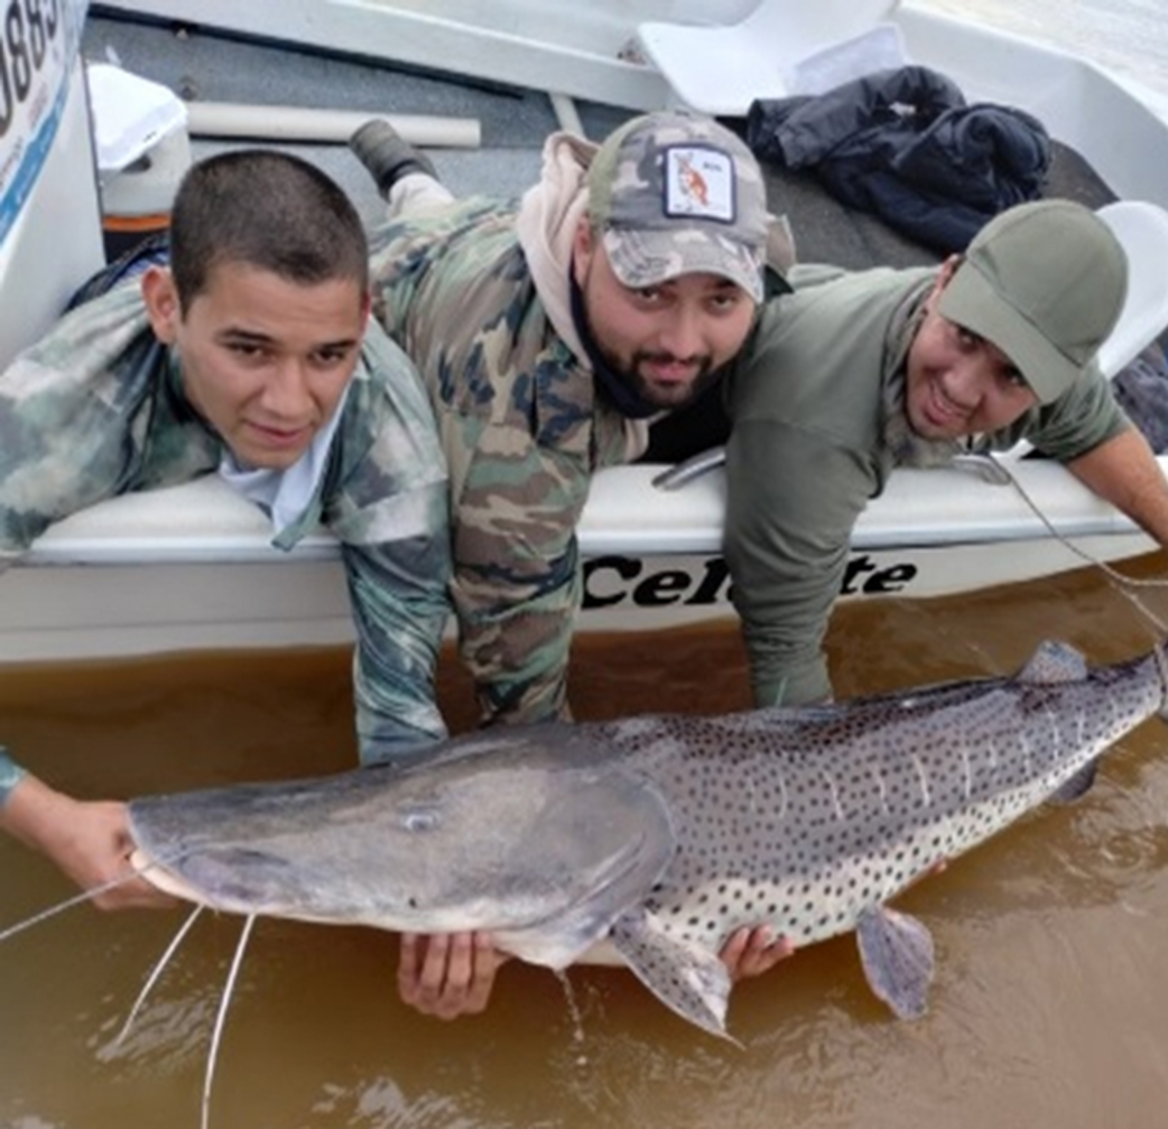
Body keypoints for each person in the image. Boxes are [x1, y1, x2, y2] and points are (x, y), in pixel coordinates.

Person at [349, 111, 793, 1016]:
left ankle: (399, 162)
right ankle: (402, 175)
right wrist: (517, 913)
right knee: (411, 228)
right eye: (651, 290)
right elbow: (527, 721)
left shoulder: (653, 289)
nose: (682, 340)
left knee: (430, 204)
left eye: (720, 298)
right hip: (415, 289)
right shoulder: (520, 433)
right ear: (585, 245)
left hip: (472, 225)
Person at [0, 153, 452, 918]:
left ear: (362, 324)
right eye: (249, 349)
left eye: (329, 356)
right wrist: (45, 818)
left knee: (428, 239)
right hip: (122, 334)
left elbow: (401, 720)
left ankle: (409, 180)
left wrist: (441, 908)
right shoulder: (51, 418)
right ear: (167, 307)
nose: (290, 402)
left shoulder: (395, 452)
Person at [721, 198, 1168, 709]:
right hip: (768, 381)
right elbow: (783, 653)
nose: (960, 388)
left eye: (1012, 375)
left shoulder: (1031, 350)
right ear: (944, 281)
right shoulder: (812, 424)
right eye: (965, 337)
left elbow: (1095, 429)